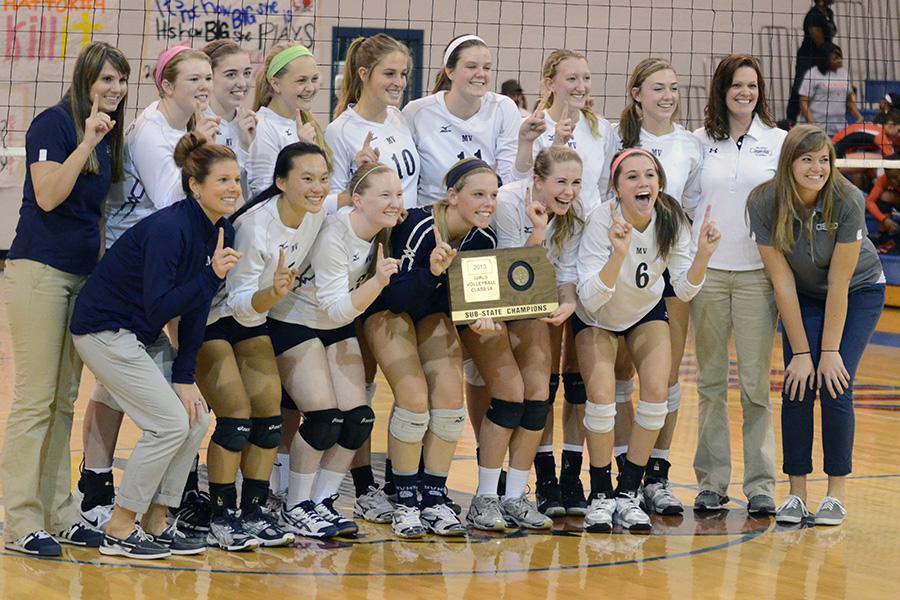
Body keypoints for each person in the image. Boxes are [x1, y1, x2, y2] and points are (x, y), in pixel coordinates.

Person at [70, 134, 242, 559]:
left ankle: (156, 519)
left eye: (236, 179)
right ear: (194, 185)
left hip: (140, 332)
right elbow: (162, 304)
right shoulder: (171, 228)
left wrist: (185, 378)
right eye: (222, 180)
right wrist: (210, 276)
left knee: (195, 417)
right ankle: (120, 527)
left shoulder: (223, 229)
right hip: (103, 329)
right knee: (167, 424)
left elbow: (197, 312)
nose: (233, 188)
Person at [77, 44, 218, 532]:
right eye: (194, 77)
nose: (205, 85)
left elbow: (210, 192)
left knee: (173, 401)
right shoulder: (150, 132)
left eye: (208, 76)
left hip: (165, 268)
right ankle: (97, 487)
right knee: (120, 390)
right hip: (130, 272)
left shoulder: (193, 128)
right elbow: (172, 199)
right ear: (166, 85)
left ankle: (163, 507)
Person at [1, 41, 129, 557]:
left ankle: (58, 512)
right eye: (105, 80)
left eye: (120, 80)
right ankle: (20, 520)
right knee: (34, 399)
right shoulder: (54, 124)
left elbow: (98, 214)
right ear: (84, 82)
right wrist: (85, 141)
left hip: (81, 277)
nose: (114, 89)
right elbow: (49, 195)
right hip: (38, 271)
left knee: (63, 401)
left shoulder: (110, 135)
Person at [747, 124, 885, 526]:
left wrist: (826, 353)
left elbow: (841, 282)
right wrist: (803, 354)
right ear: (789, 161)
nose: (816, 168)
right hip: (802, 294)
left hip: (858, 290)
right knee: (798, 382)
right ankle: (795, 493)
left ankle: (835, 495)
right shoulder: (764, 202)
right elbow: (782, 281)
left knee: (836, 380)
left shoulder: (846, 199)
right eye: (806, 159)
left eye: (823, 160)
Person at [575, 148, 720, 532]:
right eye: (633, 177)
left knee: (657, 393)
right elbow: (589, 297)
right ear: (617, 188)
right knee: (602, 398)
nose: (643, 183)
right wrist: (617, 255)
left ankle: (628, 492)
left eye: (650, 175)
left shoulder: (671, 220)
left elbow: (685, 290)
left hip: (644, 312)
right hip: (597, 318)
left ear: (659, 182)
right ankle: (601, 494)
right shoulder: (600, 221)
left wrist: (703, 256)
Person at [197, 143, 331, 550]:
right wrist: (272, 294)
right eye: (306, 179)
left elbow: (358, 200)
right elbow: (238, 305)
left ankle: (254, 510)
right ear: (280, 183)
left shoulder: (318, 211)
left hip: (254, 318)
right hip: (213, 318)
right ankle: (223, 514)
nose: (317, 188)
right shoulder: (256, 227)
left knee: (270, 417)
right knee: (237, 417)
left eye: (323, 178)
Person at [363, 157, 504, 537]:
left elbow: (473, 301)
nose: (488, 202)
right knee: (413, 399)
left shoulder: (484, 237)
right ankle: (405, 500)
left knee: (449, 404)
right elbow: (397, 298)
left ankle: (434, 495)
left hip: (431, 312)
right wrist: (434, 272)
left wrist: (482, 317)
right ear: (453, 196)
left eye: (493, 194)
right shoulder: (420, 226)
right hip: (386, 308)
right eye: (478, 194)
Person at [268, 162, 402, 539]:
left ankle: (322, 501)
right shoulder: (335, 236)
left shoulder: (380, 233)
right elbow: (336, 307)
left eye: (398, 194)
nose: (395, 203)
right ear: (357, 200)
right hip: (294, 321)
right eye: (385, 195)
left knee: (358, 418)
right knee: (324, 418)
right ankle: (295, 505)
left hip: (333, 326)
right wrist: (377, 282)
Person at [689, 54, 787, 515]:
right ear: (721, 90)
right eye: (736, 85)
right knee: (710, 383)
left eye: (752, 85)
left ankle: (762, 485)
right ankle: (711, 482)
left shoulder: (779, 141)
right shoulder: (697, 142)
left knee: (754, 386)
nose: (745, 92)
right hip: (706, 275)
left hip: (755, 277)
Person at [610, 57, 704, 516]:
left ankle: (657, 476)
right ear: (637, 94)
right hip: (623, 265)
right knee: (622, 375)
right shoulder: (617, 139)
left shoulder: (692, 145)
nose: (668, 96)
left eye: (673, 87)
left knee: (666, 378)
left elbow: (693, 206)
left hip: (669, 266)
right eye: (658, 88)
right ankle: (628, 469)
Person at [492, 146, 585, 519]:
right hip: (490, 301)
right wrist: (538, 232)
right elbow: (506, 273)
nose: (569, 191)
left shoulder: (572, 216)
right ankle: (492, 481)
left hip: (532, 301)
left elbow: (564, 275)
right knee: (499, 392)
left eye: (576, 183)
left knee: (538, 390)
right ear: (537, 182)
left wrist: (569, 303)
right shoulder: (508, 203)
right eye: (561, 182)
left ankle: (527, 486)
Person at [402, 34, 543, 205]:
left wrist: (526, 144)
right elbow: (405, 179)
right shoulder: (417, 112)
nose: (481, 74)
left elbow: (511, 184)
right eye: (471, 66)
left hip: (482, 217)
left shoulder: (503, 108)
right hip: (431, 217)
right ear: (450, 71)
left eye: (487, 67)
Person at [326, 33, 420, 210]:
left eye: (403, 74)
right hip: (369, 235)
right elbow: (331, 205)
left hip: (407, 232)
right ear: (364, 73)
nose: (399, 83)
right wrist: (360, 175)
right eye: (390, 74)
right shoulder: (339, 131)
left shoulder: (397, 116)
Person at [248, 44, 328, 199]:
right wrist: (303, 152)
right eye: (301, 80)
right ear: (276, 84)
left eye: (314, 79)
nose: (310, 88)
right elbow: (263, 193)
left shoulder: (307, 123)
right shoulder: (262, 126)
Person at [202, 40, 257, 201]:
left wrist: (247, 146)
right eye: (231, 74)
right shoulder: (196, 122)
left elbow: (252, 191)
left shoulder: (252, 123)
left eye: (246, 73)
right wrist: (243, 148)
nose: (242, 83)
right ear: (209, 77)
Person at [787, 0, 837, 124]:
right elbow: (818, 39)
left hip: (823, 57)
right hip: (808, 58)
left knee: (823, 89)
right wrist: (831, 52)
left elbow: (830, 34)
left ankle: (820, 120)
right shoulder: (813, 15)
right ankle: (790, 121)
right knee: (799, 88)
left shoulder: (829, 13)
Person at [798, 44, 863, 136]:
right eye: (835, 58)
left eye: (840, 57)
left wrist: (859, 117)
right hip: (818, 129)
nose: (840, 60)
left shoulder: (843, 73)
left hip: (840, 129)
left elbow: (849, 101)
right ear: (825, 60)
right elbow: (803, 102)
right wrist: (812, 122)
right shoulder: (813, 74)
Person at [866, 157, 900, 239]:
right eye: (889, 177)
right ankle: (885, 238)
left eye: (895, 177)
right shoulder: (884, 179)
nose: (892, 181)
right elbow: (869, 202)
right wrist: (884, 219)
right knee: (884, 197)